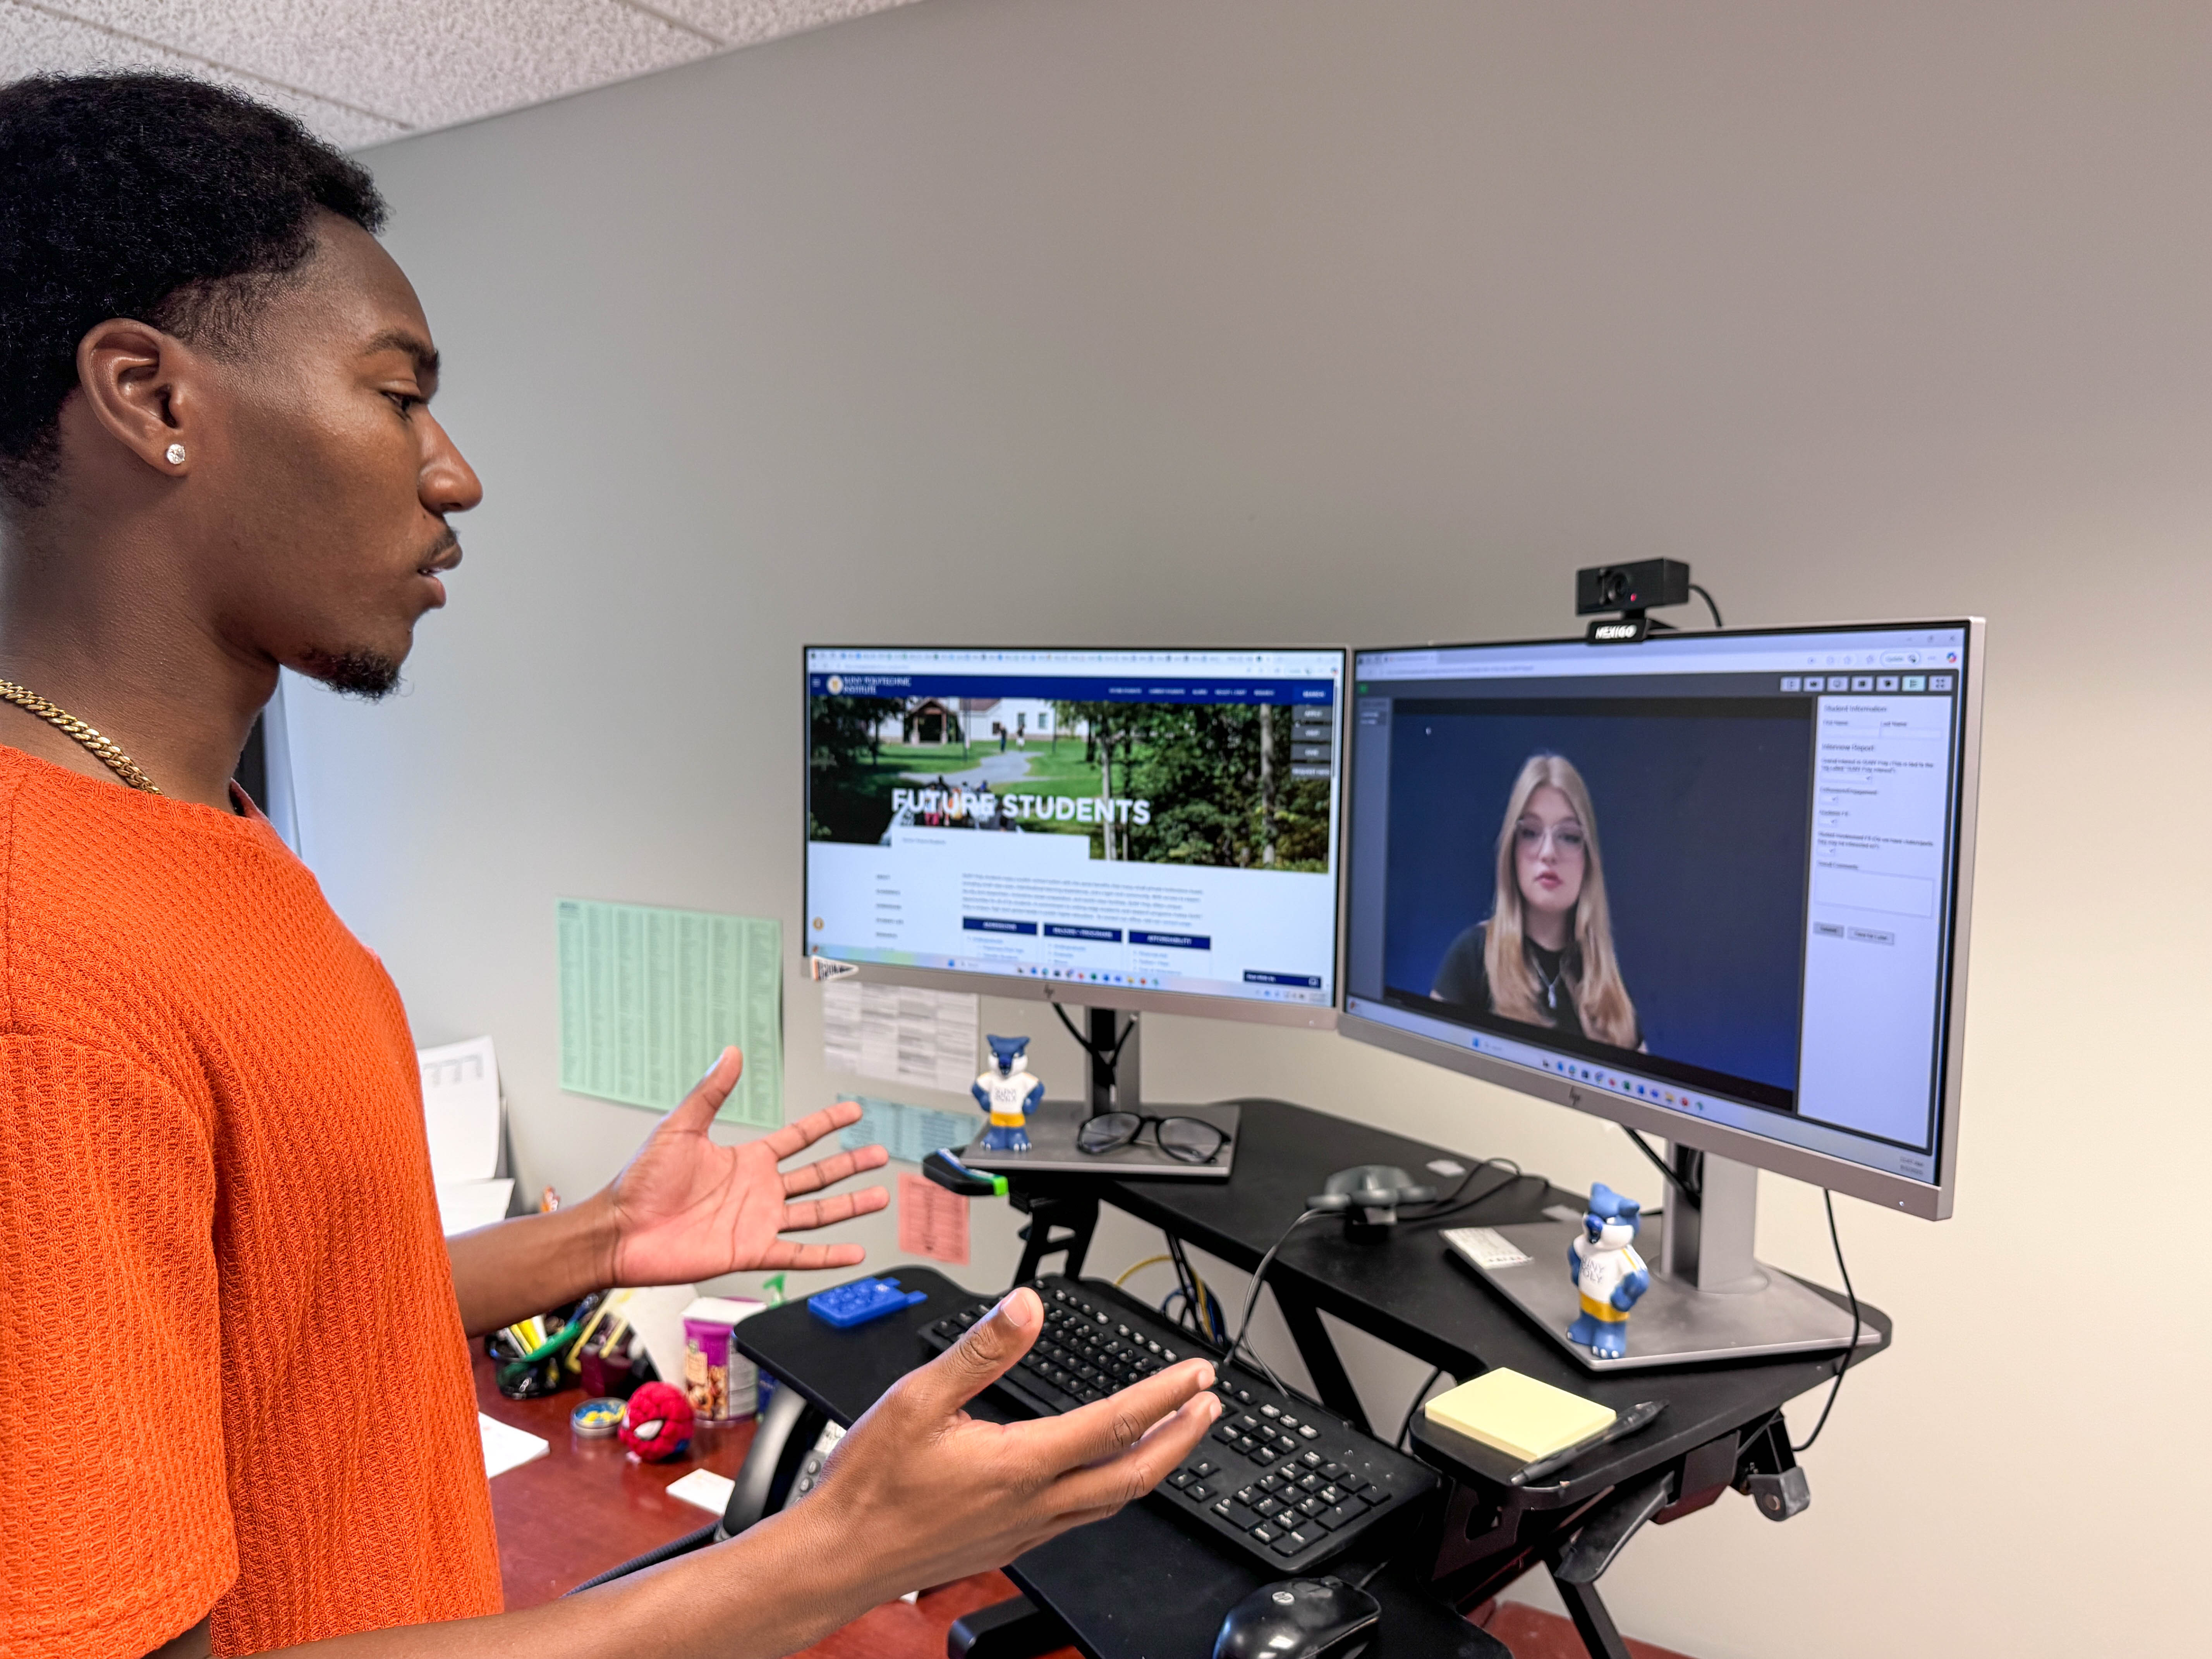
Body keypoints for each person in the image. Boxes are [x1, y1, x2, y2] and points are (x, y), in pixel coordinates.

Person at [0, 74, 1221, 1659]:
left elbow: (276, 1316)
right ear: (152, 399)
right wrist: (823, 1560)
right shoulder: (46, 962)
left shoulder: (205, 839)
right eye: (395, 394)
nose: (454, 474)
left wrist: (592, 1245)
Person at [1431, 753, 1640, 1047]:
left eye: (1568, 836)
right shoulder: (1472, 958)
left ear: (1588, 859)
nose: (1548, 853)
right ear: (1511, 850)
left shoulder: (1608, 988)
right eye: (1530, 832)